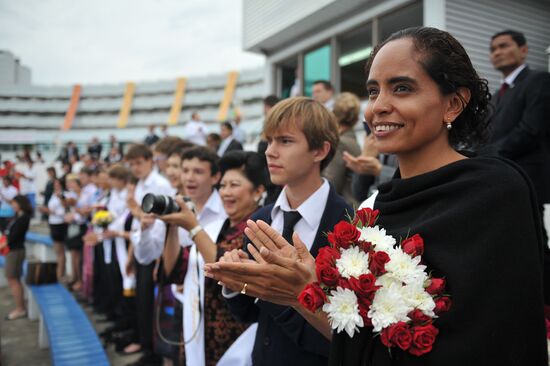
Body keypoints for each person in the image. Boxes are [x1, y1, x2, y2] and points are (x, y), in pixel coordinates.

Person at [205, 27, 548, 365]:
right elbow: (357, 339)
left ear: (453, 104)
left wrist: (304, 293)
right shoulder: (372, 210)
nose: (378, 107)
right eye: (372, 91)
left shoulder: (496, 193)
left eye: (401, 88)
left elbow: (487, 345)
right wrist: (299, 294)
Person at [214, 97, 352, 366]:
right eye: (269, 140)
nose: (269, 151)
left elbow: (342, 336)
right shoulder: (261, 218)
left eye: (285, 141)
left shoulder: (347, 225)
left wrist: (273, 290)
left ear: (320, 151)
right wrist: (235, 284)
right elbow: (252, 317)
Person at [158, 150, 267, 366]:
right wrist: (171, 226)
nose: (225, 192)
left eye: (234, 185)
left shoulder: (259, 228)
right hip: (199, 332)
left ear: (258, 191)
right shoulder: (216, 228)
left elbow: (224, 269)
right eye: (223, 186)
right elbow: (175, 271)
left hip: (235, 337)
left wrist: (192, 227)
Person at [487, 30, 550, 259]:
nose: (497, 53)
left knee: (535, 246)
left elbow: (531, 129)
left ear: (523, 50)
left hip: (528, 179)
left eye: (504, 46)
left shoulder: (539, 81)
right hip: (500, 180)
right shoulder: (496, 96)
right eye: (493, 49)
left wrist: (486, 155)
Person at [124, 143, 172, 364]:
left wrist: (160, 256)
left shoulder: (160, 184)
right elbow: (139, 222)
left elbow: (162, 221)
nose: (135, 168)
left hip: (155, 249)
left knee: (151, 303)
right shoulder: (142, 184)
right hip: (142, 244)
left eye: (139, 163)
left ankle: (153, 349)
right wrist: (131, 254)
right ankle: (146, 345)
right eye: (132, 164)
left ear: (150, 161)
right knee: (141, 300)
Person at [323, 92, 362, 207]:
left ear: (334, 115)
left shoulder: (341, 143)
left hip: (344, 209)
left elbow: (332, 183)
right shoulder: (353, 141)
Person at [1, 195, 32, 320]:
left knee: (13, 280)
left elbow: (13, 238)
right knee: (14, 280)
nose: (12, 205)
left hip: (15, 251)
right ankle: (21, 307)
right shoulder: (17, 217)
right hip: (13, 251)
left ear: (21, 204)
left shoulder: (23, 218)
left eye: (14, 203)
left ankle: (20, 309)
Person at [39, 179, 68, 281]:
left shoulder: (64, 194)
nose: (56, 186)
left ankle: (60, 274)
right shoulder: (53, 194)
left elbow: (65, 209)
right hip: (53, 223)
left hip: (60, 223)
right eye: (55, 184)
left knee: (60, 250)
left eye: (58, 184)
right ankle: (59, 273)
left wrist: (48, 211)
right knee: (58, 250)